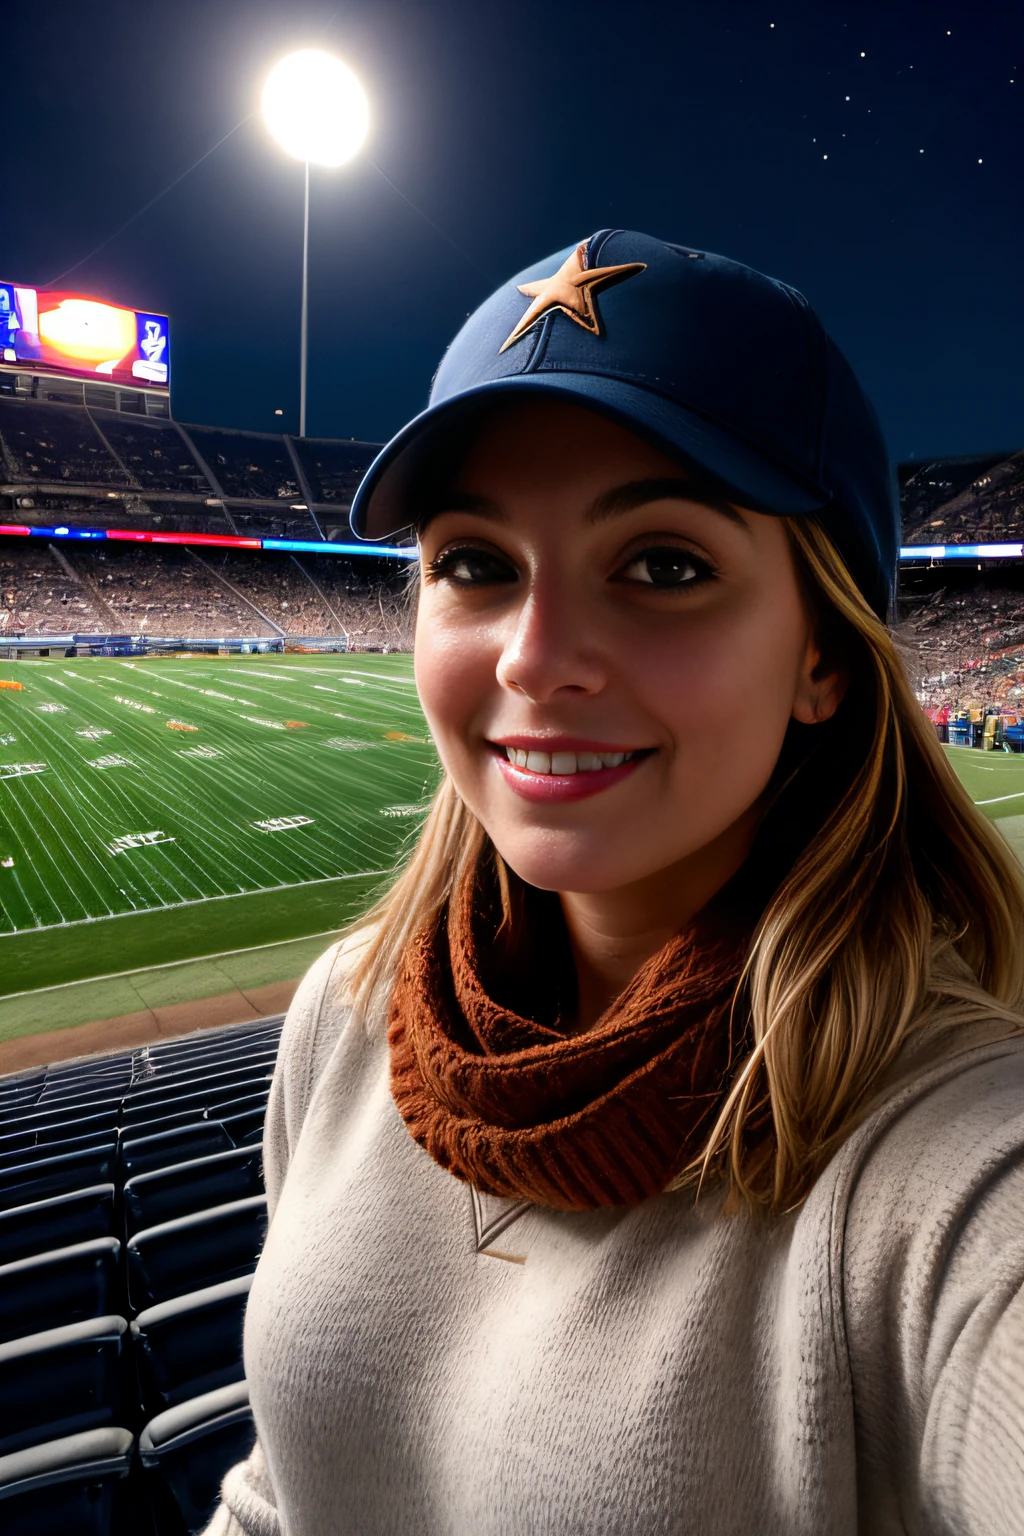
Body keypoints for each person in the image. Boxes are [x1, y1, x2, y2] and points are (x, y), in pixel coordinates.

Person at [203, 231, 1024, 1535]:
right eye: (474, 563)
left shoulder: (940, 1166)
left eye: (663, 566)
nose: (536, 660)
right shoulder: (348, 1018)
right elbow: (281, 1494)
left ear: (823, 655)